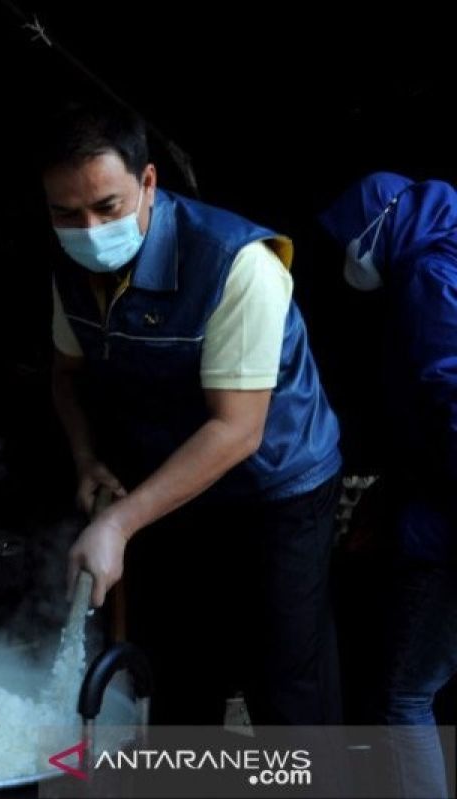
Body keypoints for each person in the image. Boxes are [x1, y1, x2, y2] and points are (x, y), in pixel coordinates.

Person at [43, 102, 342, 724]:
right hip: (171, 487)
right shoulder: (69, 269)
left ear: (148, 182)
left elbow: (237, 430)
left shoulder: (236, 263)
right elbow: (67, 374)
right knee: (178, 670)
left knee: (287, 682)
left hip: (276, 488)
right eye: (67, 213)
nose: (89, 230)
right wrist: (86, 459)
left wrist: (119, 524)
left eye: (107, 207)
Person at [321, 172, 457, 796]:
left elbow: (448, 392)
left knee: (404, 698)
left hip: (444, 527)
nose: (349, 252)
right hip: (429, 505)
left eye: (352, 237)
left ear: (384, 220)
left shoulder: (431, 276)